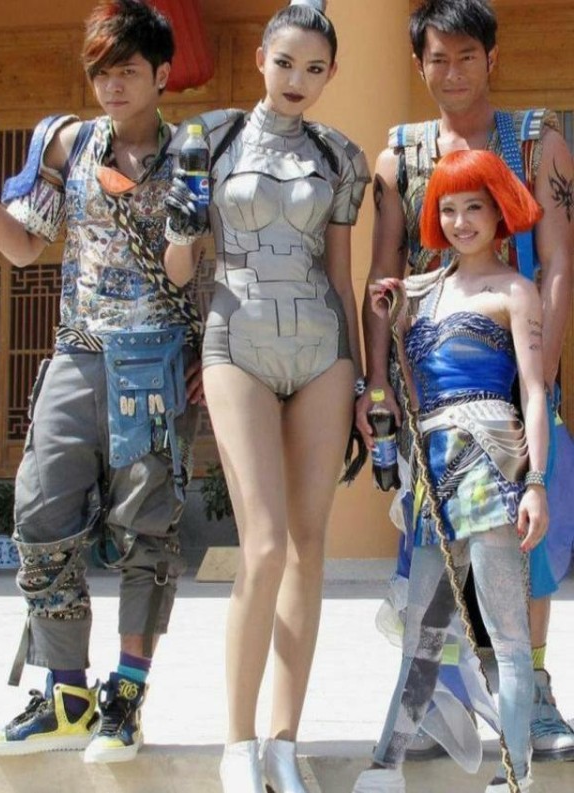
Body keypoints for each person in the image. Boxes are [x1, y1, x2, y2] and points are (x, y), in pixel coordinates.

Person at [0, 0, 203, 764]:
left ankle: (126, 695)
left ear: (161, 74)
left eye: (127, 71)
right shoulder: (67, 143)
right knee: (39, 513)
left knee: (148, 531)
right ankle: (66, 691)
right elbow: (23, 249)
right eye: (101, 72)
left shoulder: (192, 156)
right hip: (77, 353)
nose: (112, 86)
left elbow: (190, 272)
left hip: (158, 361)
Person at [355, 0, 574, 764]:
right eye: (437, 59)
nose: (452, 72)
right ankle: (435, 704)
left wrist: (538, 371)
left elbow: (558, 259)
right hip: (433, 388)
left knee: (526, 541)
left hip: (514, 370)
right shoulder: (399, 157)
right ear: (418, 64)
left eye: (466, 56)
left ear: (493, 58)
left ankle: (532, 691)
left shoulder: (536, 139)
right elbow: (384, 272)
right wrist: (378, 386)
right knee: (429, 547)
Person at [164, 1, 370, 790]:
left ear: (331, 75)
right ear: (260, 58)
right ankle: (237, 741)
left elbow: (341, 276)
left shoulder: (340, 154)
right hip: (236, 338)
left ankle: (284, 741)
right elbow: (180, 269)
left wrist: (362, 380)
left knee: (310, 546)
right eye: (285, 62)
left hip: (321, 349)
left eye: (314, 69)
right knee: (265, 545)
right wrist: (181, 227)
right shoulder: (206, 138)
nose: (297, 80)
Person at [354, 149, 548, 793]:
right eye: (448, 209)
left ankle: (514, 774)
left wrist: (536, 483)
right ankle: (385, 765)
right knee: (424, 632)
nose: (461, 222)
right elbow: (406, 381)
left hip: (492, 462)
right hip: (431, 473)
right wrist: (389, 309)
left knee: (507, 635)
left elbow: (535, 391)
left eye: (474, 208)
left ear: (499, 213)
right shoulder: (420, 290)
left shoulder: (516, 292)